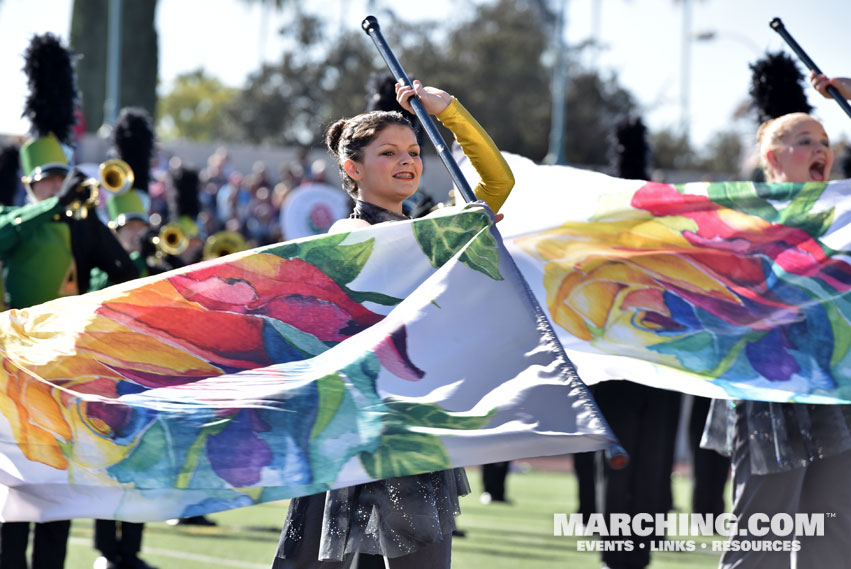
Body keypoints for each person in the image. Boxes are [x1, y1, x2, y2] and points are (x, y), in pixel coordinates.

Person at [271, 80, 513, 569]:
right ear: (352, 169)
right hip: (349, 429)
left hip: (412, 429)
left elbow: (497, 185)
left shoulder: (429, 233)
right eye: (389, 152)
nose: (408, 161)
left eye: (413, 150)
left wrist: (449, 111)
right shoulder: (347, 233)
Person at [702, 111, 851, 568]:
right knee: (759, 542)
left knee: (831, 541)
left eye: (825, 141)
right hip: (768, 403)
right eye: (806, 141)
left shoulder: (841, 220)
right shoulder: (744, 220)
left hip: (834, 401)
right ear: (773, 157)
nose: (821, 149)